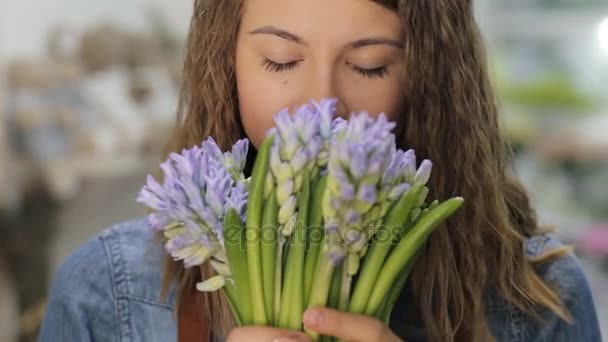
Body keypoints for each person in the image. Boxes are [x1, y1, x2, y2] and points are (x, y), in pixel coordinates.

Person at [39, 0, 603, 341]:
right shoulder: (106, 292)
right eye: (280, 61)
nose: (322, 106)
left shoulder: (537, 302)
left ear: (429, 81)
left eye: (370, 66)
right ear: (226, 59)